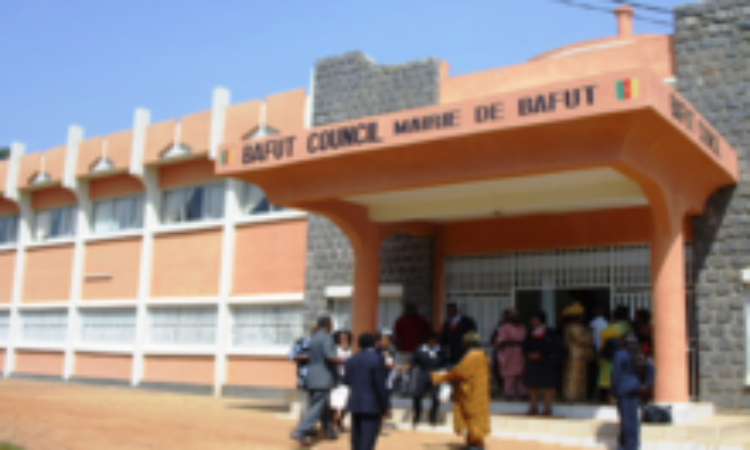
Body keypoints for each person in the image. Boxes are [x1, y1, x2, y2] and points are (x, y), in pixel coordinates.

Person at [432, 332, 491, 450]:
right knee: (476, 416)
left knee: (472, 416)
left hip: (472, 392)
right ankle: (473, 442)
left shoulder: (472, 356)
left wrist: (440, 376)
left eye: (464, 341)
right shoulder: (483, 355)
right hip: (480, 391)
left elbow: (460, 372)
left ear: (468, 343)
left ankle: (476, 444)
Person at [291, 316, 342, 446]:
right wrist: (347, 360)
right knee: (318, 406)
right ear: (328, 325)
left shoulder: (312, 338)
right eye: (332, 324)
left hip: (312, 376)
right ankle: (300, 431)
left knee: (324, 405)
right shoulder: (326, 337)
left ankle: (329, 430)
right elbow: (330, 356)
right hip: (322, 377)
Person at [343, 333, 389, 450]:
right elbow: (380, 384)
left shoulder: (351, 359)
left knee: (356, 438)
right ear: (374, 344)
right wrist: (385, 406)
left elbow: (347, 380)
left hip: (355, 402)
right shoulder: (377, 359)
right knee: (368, 439)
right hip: (372, 405)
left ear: (359, 344)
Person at [611, 334, 655, 450]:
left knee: (625, 418)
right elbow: (651, 369)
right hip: (635, 388)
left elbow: (616, 374)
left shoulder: (620, 354)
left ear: (624, 342)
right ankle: (634, 444)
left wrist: (613, 390)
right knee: (634, 418)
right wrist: (646, 384)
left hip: (623, 389)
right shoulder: (639, 354)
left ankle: (626, 445)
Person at [523, 310, 563, 416]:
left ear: (541, 321)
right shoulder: (530, 332)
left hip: (546, 362)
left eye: (535, 320)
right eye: (532, 320)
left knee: (548, 386)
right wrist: (529, 354)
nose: (533, 322)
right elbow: (525, 346)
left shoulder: (550, 333)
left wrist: (542, 354)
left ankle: (547, 409)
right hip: (532, 362)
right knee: (533, 386)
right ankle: (533, 408)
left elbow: (556, 348)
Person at [408, 332, 444, 428]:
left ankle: (433, 418)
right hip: (422, 374)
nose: (436, 343)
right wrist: (413, 369)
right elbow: (414, 361)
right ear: (429, 341)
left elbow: (444, 362)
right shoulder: (420, 349)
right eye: (434, 341)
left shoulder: (440, 350)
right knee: (417, 395)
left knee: (436, 397)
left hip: (435, 375)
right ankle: (417, 415)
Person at [598, 306, 633, 403]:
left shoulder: (618, 326)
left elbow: (603, 334)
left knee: (607, 378)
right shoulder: (628, 325)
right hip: (628, 355)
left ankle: (608, 398)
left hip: (611, 356)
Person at [561, 302, 594, 402]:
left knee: (579, 376)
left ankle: (577, 395)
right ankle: (572, 396)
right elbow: (581, 339)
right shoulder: (574, 327)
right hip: (575, 353)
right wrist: (590, 335)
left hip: (577, 353)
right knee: (574, 376)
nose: (583, 317)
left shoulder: (571, 326)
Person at [495, 309, 527, 400]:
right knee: (509, 376)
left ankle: (523, 394)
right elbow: (500, 342)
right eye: (515, 317)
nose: (517, 318)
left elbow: (526, 341)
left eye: (518, 316)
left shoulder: (522, 328)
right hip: (509, 355)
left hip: (521, 355)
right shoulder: (505, 328)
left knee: (521, 375)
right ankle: (509, 394)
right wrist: (515, 343)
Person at [330, 330, 353, 433]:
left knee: (346, 402)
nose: (345, 340)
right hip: (336, 377)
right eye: (342, 338)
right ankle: (334, 422)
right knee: (335, 402)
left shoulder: (350, 350)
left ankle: (341, 421)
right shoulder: (335, 349)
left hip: (347, 377)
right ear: (338, 338)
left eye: (347, 338)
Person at [376, 330, 398, 435]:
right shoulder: (375, 352)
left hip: (387, 381)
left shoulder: (392, 352)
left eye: (388, 340)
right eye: (383, 339)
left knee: (385, 403)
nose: (385, 342)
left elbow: (392, 366)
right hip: (377, 381)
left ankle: (382, 424)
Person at [589, 307, 609, 400]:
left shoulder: (593, 323)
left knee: (594, 372)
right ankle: (603, 395)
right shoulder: (607, 323)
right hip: (604, 349)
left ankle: (592, 394)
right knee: (602, 373)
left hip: (595, 349)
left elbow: (590, 337)